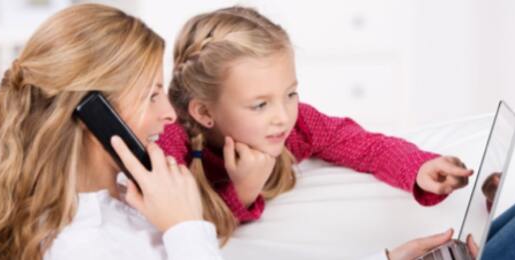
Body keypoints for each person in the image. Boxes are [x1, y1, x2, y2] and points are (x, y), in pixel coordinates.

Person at [157, 6, 474, 259]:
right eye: (259, 105)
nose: (283, 116)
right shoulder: (170, 146)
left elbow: (363, 145)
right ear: (204, 112)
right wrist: (244, 190)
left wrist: (419, 167)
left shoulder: (296, 126)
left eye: (291, 94)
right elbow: (190, 239)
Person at [0, 4, 223, 260]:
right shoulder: (80, 246)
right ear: (95, 114)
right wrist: (187, 230)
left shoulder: (141, 198)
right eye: (151, 95)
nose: (170, 114)